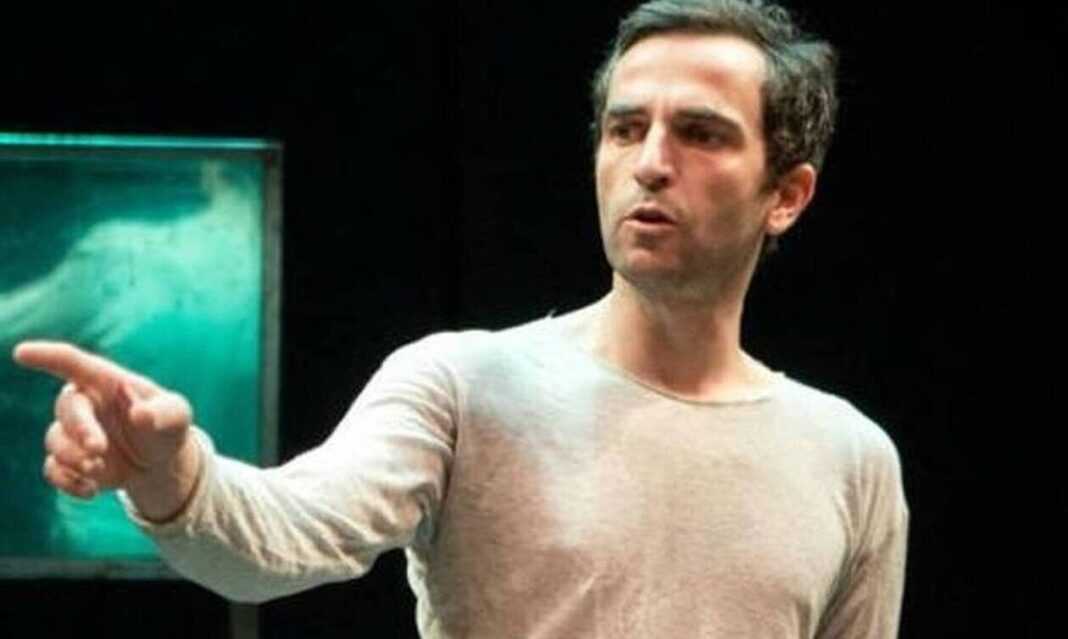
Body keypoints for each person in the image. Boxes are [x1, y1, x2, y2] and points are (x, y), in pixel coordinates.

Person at [13, 0, 909, 636]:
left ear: (786, 194)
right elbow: (283, 535)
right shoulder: (465, 383)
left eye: (701, 133)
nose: (649, 163)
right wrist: (171, 476)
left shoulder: (850, 458)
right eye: (625, 128)